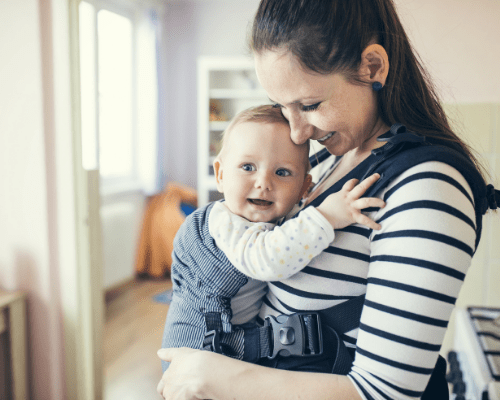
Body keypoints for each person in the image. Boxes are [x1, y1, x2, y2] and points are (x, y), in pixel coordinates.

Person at [157, 1, 499, 399]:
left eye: (309, 105)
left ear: (372, 67)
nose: (297, 134)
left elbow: (386, 393)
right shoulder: (326, 160)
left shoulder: (427, 186)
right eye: (284, 109)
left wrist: (217, 377)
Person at [161, 104, 385, 370]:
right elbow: (266, 258)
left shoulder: (275, 219)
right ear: (220, 175)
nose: (263, 182)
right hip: (198, 352)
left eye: (282, 172)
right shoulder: (224, 222)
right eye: (247, 167)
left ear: (304, 188)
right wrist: (327, 216)